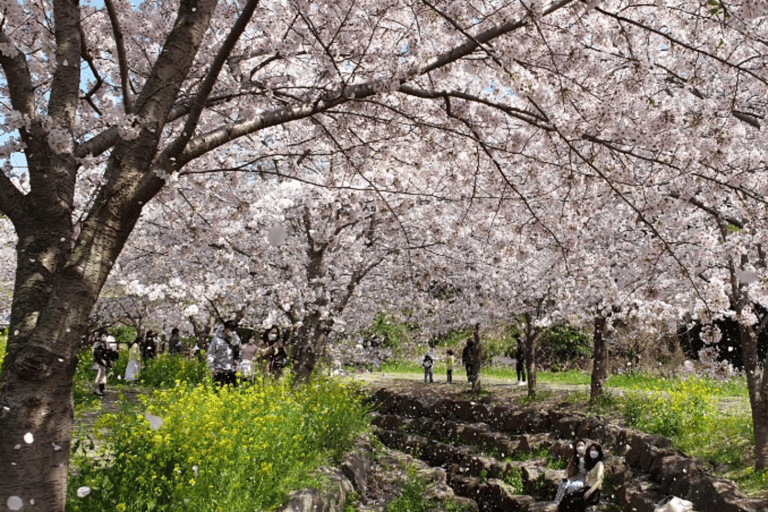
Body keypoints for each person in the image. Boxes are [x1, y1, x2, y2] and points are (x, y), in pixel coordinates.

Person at [558, 442, 605, 512]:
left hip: (593, 493)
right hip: (586, 490)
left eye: (595, 450)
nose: (593, 452)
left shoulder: (600, 464)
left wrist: (589, 492)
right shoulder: (592, 463)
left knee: (569, 502)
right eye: (592, 450)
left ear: (599, 452)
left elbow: (599, 481)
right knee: (565, 499)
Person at [207, 320, 242, 386]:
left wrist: (238, 361)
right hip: (219, 371)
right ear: (225, 328)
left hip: (232, 370)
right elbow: (211, 353)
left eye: (234, 330)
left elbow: (240, 351)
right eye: (230, 330)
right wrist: (211, 368)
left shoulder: (236, 338)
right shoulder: (217, 339)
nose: (232, 332)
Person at [554, 439, 589, 505]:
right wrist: (566, 476)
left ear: (585, 446)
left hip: (584, 478)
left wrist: (587, 484)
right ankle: (557, 502)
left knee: (572, 487)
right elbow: (569, 467)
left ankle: (567, 502)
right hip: (576, 476)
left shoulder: (588, 458)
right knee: (563, 483)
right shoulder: (575, 457)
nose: (580, 447)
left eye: (581, 445)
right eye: (578, 446)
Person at [92, 331, 112, 396]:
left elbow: (108, 353)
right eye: (103, 336)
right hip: (99, 362)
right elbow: (96, 353)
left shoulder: (105, 343)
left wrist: (109, 362)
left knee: (102, 376)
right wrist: (101, 359)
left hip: (103, 362)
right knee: (99, 376)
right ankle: (97, 389)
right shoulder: (98, 343)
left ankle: (100, 389)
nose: (104, 337)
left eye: (105, 336)